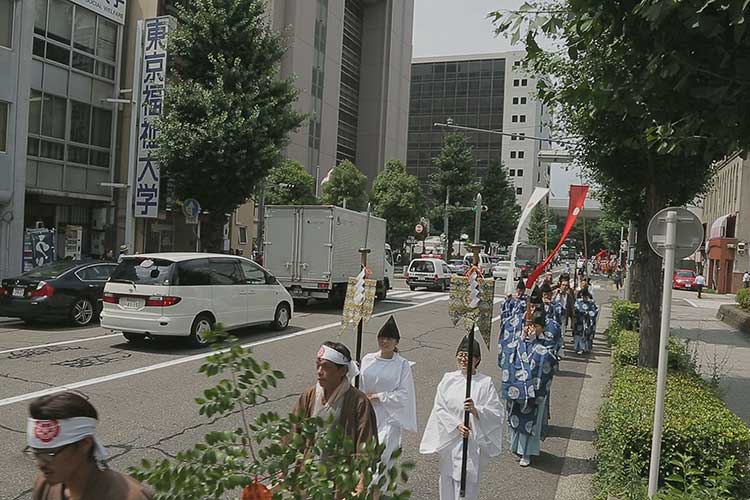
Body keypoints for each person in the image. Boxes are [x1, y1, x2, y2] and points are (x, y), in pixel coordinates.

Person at [27, 392, 153, 500]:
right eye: (36, 453)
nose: (41, 464)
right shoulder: (45, 485)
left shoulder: (130, 496)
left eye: (49, 455)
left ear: (85, 443)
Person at [420, 336, 503, 500]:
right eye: (461, 354)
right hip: (450, 438)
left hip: (471, 440)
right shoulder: (448, 378)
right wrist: (456, 424)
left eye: (468, 355)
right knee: (447, 478)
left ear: (477, 359)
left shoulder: (485, 383)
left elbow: (496, 412)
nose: (463, 359)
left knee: (467, 480)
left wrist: (475, 410)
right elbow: (440, 407)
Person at [292, 341, 378, 495]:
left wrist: (362, 481)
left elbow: (366, 446)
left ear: (342, 371)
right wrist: (284, 466)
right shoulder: (309, 396)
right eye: (317, 365)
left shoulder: (358, 401)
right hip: (309, 476)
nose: (319, 371)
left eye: (326, 367)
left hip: (340, 480)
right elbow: (293, 432)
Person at [359, 316, 417, 489]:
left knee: (383, 454)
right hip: (367, 414)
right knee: (363, 452)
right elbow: (358, 383)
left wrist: (379, 396)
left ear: (396, 342)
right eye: (382, 337)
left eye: (389, 338)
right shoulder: (368, 359)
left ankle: (378, 490)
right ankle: (363, 487)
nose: (384, 341)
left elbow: (404, 394)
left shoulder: (402, 365)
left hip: (389, 416)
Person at [500, 308, 558, 467]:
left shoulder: (547, 341)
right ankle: (516, 447)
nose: (532, 328)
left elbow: (550, 360)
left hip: (534, 389)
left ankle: (527, 453)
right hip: (517, 387)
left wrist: (536, 343)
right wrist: (521, 341)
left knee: (531, 421)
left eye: (536, 326)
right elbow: (506, 353)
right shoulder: (519, 339)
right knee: (515, 417)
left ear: (542, 327)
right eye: (530, 324)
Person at [573, 290, 599, 355]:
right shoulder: (578, 302)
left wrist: (589, 313)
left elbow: (595, 310)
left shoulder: (591, 303)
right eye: (583, 296)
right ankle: (579, 348)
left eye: (586, 296)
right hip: (579, 321)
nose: (585, 298)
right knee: (579, 335)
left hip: (588, 321)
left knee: (588, 335)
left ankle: (587, 348)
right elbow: (575, 310)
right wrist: (580, 313)